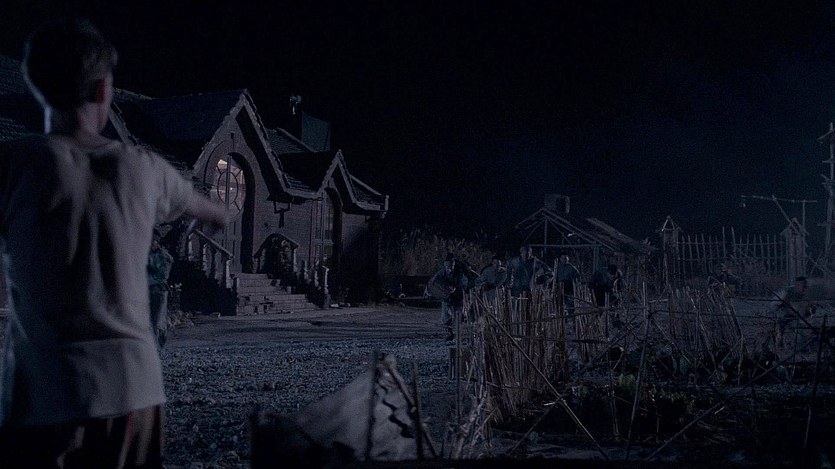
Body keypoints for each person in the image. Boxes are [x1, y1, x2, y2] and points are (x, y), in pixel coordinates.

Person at [0, 19, 228, 467]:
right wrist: (215, 217)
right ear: (104, 90)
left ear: (36, 86)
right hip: (133, 390)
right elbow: (210, 210)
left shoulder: (15, 164)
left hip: (45, 393)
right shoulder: (144, 168)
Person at [426, 256, 470, 341]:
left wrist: (456, 289)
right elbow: (435, 280)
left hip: (458, 297)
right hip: (446, 297)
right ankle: (449, 333)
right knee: (445, 316)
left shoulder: (460, 274)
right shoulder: (442, 272)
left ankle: (459, 333)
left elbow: (464, 285)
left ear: (453, 265)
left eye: (450, 266)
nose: (448, 268)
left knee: (458, 315)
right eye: (446, 266)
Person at [148, 228, 174, 348]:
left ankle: (160, 337)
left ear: (157, 242)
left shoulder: (163, 256)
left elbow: (162, 276)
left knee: (158, 318)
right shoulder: (146, 254)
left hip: (159, 290)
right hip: (148, 290)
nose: (151, 243)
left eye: (153, 241)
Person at [505, 245, 551, 311]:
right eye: (524, 253)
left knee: (529, 310)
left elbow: (549, 272)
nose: (525, 255)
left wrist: (539, 277)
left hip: (530, 290)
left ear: (530, 253)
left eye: (528, 253)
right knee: (516, 309)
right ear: (521, 253)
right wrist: (508, 282)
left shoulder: (536, 263)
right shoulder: (514, 262)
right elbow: (508, 272)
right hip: (517, 289)